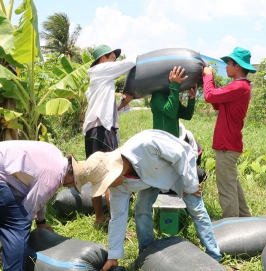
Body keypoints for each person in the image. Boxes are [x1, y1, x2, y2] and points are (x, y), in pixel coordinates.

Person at [72, 130, 222, 270]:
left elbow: (179, 154)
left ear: (115, 170)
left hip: (177, 168)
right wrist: (113, 255)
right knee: (141, 209)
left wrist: (189, 184)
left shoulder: (145, 144)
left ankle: (214, 254)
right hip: (147, 178)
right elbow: (117, 218)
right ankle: (147, 253)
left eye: (107, 182)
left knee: (196, 208)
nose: (108, 187)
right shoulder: (117, 185)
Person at [0, 140, 77, 271]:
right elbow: (28, 209)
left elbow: (38, 194)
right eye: (75, 182)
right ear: (71, 175)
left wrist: (41, 222)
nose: (72, 186)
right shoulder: (52, 179)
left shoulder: (55, 156)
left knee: (10, 212)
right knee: (19, 223)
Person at [82, 44, 136, 227]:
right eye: (112, 55)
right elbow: (129, 62)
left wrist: (122, 104)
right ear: (102, 58)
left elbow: (108, 110)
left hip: (98, 129)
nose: (115, 58)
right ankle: (115, 223)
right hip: (100, 130)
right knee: (108, 173)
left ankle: (100, 218)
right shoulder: (100, 70)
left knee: (97, 172)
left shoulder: (103, 80)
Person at [202, 47, 256, 218]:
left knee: (226, 190)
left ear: (237, 66)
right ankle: (245, 219)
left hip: (226, 145)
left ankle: (233, 227)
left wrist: (208, 76)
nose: (226, 66)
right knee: (232, 185)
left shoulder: (239, 86)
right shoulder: (239, 86)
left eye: (228, 63)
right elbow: (217, 103)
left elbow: (209, 96)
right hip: (230, 144)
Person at [150, 65, 197, 137]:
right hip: (161, 141)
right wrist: (174, 85)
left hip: (174, 141)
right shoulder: (157, 96)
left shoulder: (170, 95)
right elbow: (171, 112)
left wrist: (191, 99)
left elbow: (187, 115)